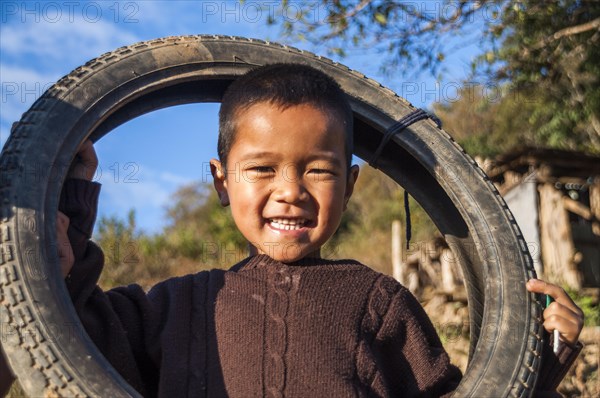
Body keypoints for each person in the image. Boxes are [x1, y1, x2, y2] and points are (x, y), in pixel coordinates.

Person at [0, 64, 584, 397]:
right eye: (262, 168)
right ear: (221, 180)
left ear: (351, 184)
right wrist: (65, 202)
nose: (291, 190)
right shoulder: (174, 307)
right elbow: (61, 325)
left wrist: (536, 361)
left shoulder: (379, 304)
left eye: (318, 170)